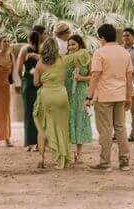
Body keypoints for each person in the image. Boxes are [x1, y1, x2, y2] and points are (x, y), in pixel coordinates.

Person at [33, 38, 86, 169]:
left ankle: (41, 158)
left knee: (43, 126)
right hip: (61, 96)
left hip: (47, 96)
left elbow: (36, 83)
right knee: (62, 128)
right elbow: (82, 55)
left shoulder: (39, 63)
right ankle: (63, 157)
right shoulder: (63, 60)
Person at [86, 23, 133, 172]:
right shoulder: (125, 53)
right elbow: (129, 76)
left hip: (104, 96)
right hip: (120, 95)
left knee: (105, 130)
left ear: (102, 37)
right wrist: (129, 97)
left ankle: (105, 162)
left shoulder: (99, 53)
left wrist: (89, 96)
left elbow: (95, 76)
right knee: (120, 128)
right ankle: (124, 161)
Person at [15, 25, 45, 150]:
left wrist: (20, 82)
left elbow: (18, 69)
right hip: (40, 83)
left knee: (29, 113)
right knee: (40, 113)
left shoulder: (24, 49)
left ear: (29, 39)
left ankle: (29, 143)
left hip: (28, 82)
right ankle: (39, 142)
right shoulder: (42, 50)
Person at [65, 34, 92, 162]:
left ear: (80, 44)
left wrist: (81, 78)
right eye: (69, 45)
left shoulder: (87, 57)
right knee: (68, 119)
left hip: (81, 92)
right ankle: (67, 152)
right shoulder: (66, 58)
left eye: (73, 44)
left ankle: (79, 152)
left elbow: (93, 76)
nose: (70, 47)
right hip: (67, 92)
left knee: (79, 119)